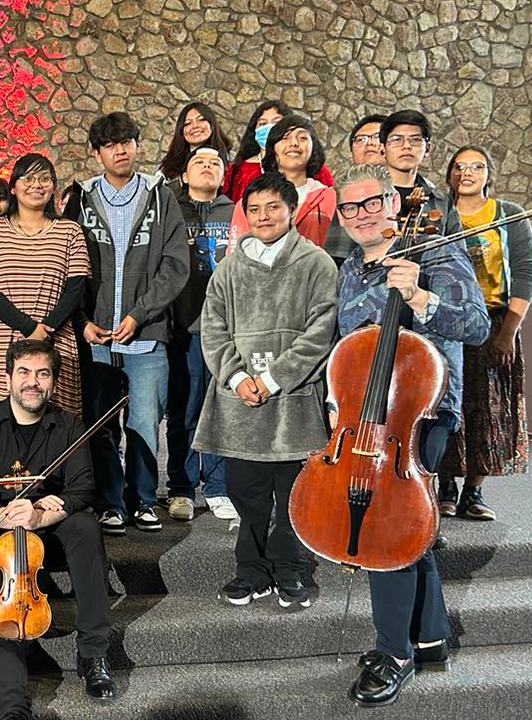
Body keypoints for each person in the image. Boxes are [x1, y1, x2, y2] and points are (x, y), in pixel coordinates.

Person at [332, 163, 489, 707]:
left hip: (420, 412)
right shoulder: (350, 266)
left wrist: (422, 299)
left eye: (371, 203)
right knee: (407, 523)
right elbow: (347, 341)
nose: (360, 215)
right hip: (364, 415)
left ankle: (392, 652)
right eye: (349, 208)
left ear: (394, 203)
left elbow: (476, 324)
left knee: (386, 530)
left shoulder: (437, 251)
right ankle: (430, 639)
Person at [194, 172, 337, 609]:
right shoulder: (230, 268)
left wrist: (273, 379)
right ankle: (250, 571)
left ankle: (289, 570)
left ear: (291, 210)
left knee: (293, 494)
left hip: (292, 399)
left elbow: (320, 331)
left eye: (273, 207)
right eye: (254, 209)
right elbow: (213, 329)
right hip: (240, 400)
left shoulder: (316, 264)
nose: (263, 216)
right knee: (246, 493)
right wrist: (238, 378)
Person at [0, 340, 116, 720]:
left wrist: (42, 515)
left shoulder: (68, 425)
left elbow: (82, 489)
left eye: (43, 374)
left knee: (85, 528)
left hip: (44, 531)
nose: (33, 382)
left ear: (54, 382)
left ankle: (93, 653)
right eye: (24, 372)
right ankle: (12, 705)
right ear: (8, 377)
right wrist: (2, 513)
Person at [64, 111, 187, 535]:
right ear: (97, 153)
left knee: (144, 421)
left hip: (146, 333)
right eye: (111, 144)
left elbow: (175, 265)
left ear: (137, 145)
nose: (121, 150)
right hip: (96, 335)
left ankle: (144, 500)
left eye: (127, 141)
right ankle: (110, 502)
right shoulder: (80, 198)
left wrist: (140, 314)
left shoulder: (160, 196)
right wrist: (81, 321)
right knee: (99, 422)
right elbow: (70, 266)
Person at [437, 145, 532, 521]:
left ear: (488, 174)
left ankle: (473, 492)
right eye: (459, 167)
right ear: (449, 174)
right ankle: (444, 485)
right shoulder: (438, 214)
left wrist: (508, 332)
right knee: (446, 406)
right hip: (448, 321)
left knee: (488, 409)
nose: (467, 173)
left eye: (476, 166)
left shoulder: (509, 216)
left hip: (494, 323)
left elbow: (527, 271)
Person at [0, 153, 89, 417]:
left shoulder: (70, 231)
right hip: (2, 337)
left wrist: (45, 330)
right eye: (29, 178)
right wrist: (29, 327)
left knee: (55, 420)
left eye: (45, 178)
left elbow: (76, 288)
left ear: (54, 186)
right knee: (0, 420)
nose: (37, 184)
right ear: (13, 186)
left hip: (55, 337)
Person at [165, 146, 237, 522]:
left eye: (215, 163)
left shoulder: (236, 212)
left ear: (223, 175)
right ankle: (180, 487)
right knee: (185, 408)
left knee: (223, 408)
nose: (207, 168)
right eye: (199, 162)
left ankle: (218, 486)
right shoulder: (170, 209)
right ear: (185, 174)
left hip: (226, 328)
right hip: (183, 327)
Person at [229, 114, 336, 248]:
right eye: (285, 138)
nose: (294, 143)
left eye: (302, 138)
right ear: (272, 149)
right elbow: (236, 253)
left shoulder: (328, 197)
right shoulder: (251, 199)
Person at [224, 100, 334, 202]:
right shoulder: (239, 171)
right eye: (263, 124)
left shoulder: (320, 180)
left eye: (276, 122)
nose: (269, 128)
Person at [380, 109, 463, 237]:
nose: (406, 146)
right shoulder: (365, 195)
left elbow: (458, 253)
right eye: (397, 139)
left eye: (415, 140)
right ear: (382, 149)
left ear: (427, 149)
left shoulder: (442, 201)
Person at [322, 113, 387, 266]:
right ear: (351, 151)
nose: (370, 144)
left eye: (377, 137)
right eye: (361, 139)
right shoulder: (337, 193)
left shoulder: (415, 194)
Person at [157, 101, 234, 182]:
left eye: (201, 119)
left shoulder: (231, 159)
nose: (195, 126)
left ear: (212, 124)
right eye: (187, 123)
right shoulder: (169, 166)